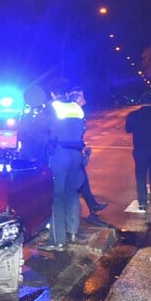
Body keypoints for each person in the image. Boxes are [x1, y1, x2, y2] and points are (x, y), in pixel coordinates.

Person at [41, 79, 86, 251]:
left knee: (56, 197)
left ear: (52, 94)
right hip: (76, 155)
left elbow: (41, 130)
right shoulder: (77, 108)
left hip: (60, 155)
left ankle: (58, 241)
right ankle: (73, 231)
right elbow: (82, 130)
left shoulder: (52, 107)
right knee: (71, 192)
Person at [67, 87, 109, 222]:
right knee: (78, 180)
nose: (85, 99)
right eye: (82, 96)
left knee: (82, 180)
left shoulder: (77, 112)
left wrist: (83, 147)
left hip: (74, 151)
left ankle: (93, 205)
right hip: (70, 153)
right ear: (78, 99)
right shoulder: (75, 113)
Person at [17, 85, 49, 163]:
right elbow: (21, 129)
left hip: (40, 146)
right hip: (28, 146)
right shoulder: (26, 113)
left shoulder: (44, 111)